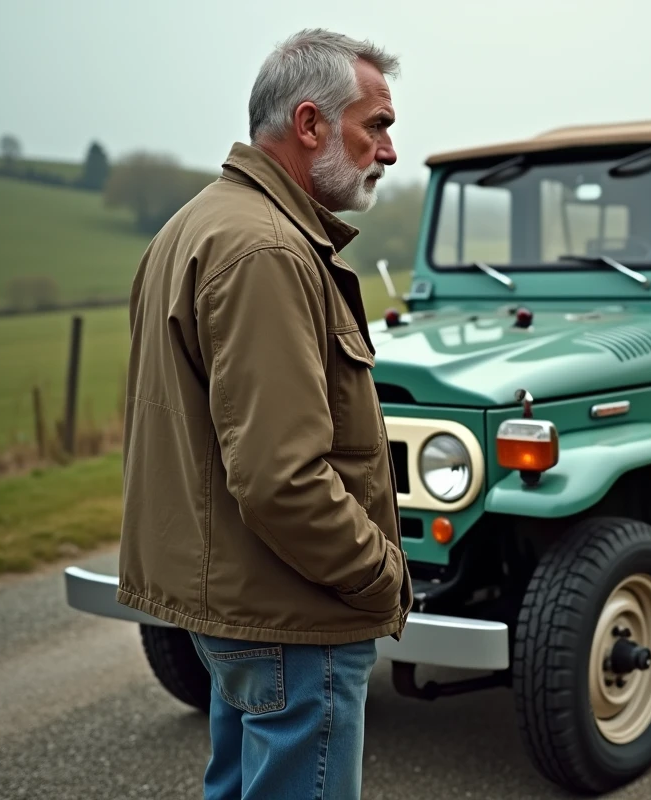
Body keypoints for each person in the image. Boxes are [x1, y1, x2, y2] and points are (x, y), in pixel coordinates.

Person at [115, 28, 413, 800]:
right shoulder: (267, 251)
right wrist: (382, 578)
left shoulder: (198, 225)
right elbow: (283, 480)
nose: (387, 151)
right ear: (310, 124)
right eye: (375, 125)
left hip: (242, 606)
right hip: (291, 615)